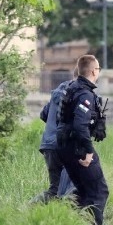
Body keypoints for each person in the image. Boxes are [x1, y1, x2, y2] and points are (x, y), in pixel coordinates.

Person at [55, 54, 113, 225]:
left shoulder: (70, 88)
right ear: (94, 71)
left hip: (64, 147)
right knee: (99, 191)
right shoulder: (85, 94)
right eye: (98, 69)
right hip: (78, 148)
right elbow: (80, 126)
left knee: (84, 192)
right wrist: (88, 152)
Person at [31, 68, 77, 204]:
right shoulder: (79, 92)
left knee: (55, 189)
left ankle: (28, 208)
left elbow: (43, 114)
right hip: (63, 145)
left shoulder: (58, 91)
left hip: (48, 145)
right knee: (74, 186)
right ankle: (75, 217)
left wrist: (53, 125)